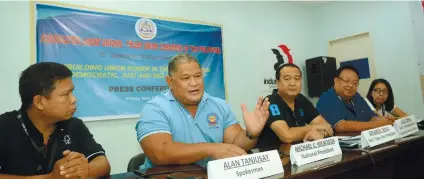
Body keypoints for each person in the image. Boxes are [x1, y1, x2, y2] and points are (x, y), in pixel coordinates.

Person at [135, 53, 270, 170]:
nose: (194, 83)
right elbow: (160, 153)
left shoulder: (219, 105)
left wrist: (251, 134)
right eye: (186, 78)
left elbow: (235, 145)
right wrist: (211, 149)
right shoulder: (155, 108)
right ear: (170, 82)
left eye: (198, 76)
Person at [0, 62, 110, 179]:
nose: (74, 99)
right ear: (39, 102)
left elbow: (103, 163)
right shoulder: (5, 127)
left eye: (72, 92)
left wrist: (84, 170)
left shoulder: (74, 125)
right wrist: (50, 178)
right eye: (66, 94)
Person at [256, 62, 333, 149]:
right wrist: (315, 127)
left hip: (300, 153)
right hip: (275, 156)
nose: (293, 83)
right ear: (277, 83)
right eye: (287, 79)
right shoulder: (270, 101)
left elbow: (326, 125)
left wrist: (321, 132)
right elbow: (287, 136)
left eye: (297, 79)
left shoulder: (301, 99)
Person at [316, 65, 393, 132]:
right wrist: (377, 124)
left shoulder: (356, 96)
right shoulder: (327, 98)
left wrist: (383, 120)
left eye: (355, 83)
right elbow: (341, 126)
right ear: (336, 81)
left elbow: (371, 118)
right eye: (346, 81)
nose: (350, 85)